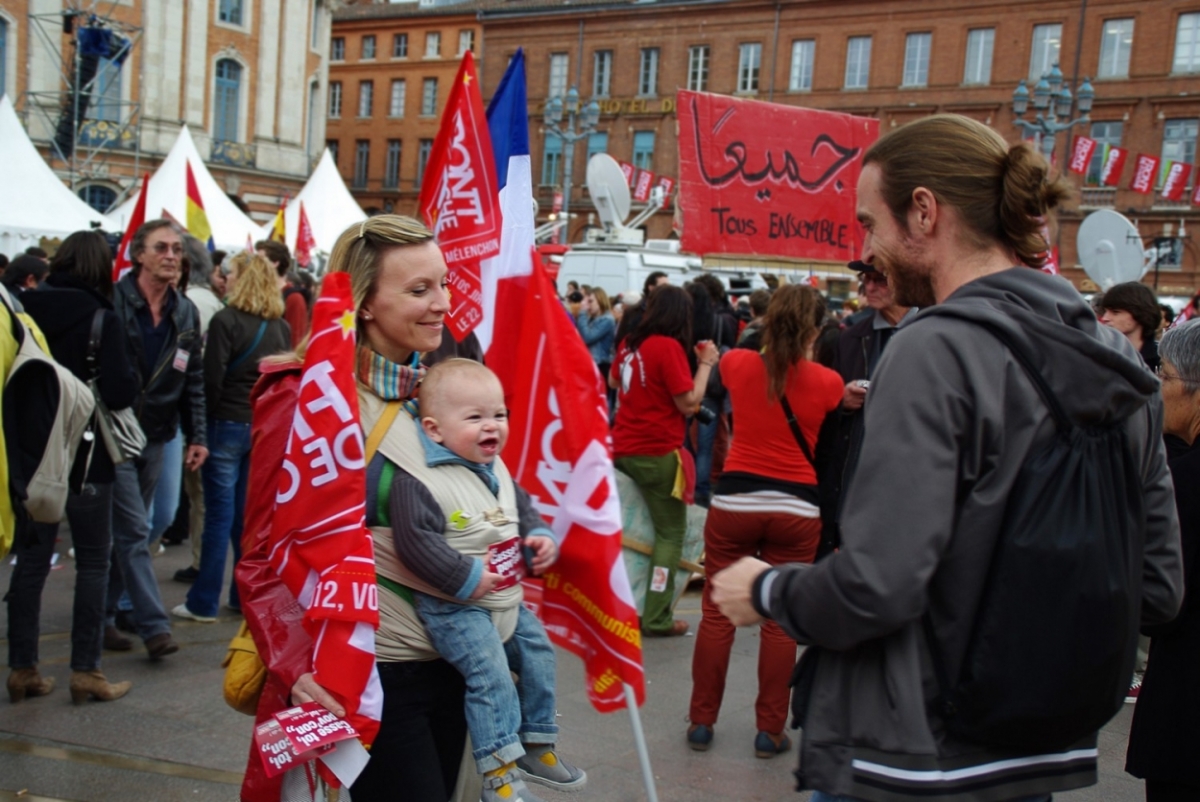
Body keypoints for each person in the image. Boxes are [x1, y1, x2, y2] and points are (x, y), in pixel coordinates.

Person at [711, 114, 1183, 802]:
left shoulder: (934, 349)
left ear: (924, 212)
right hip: (1034, 753)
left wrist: (764, 589)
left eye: (871, 224)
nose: (867, 249)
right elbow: (1159, 589)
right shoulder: (1118, 363)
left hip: (910, 751)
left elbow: (879, 585)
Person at [238, 216, 469, 802]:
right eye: (419, 290)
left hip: (454, 662)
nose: (443, 303)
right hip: (364, 672)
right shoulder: (302, 393)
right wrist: (296, 668)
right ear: (362, 303)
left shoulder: (444, 391)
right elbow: (263, 554)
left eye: (444, 283)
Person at [392, 359, 585, 802]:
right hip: (454, 608)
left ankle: (537, 740)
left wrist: (538, 536)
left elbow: (524, 508)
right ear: (434, 429)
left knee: (539, 651)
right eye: (475, 417)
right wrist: (464, 576)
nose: (491, 426)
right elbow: (413, 541)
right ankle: (498, 775)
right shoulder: (418, 478)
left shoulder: (495, 468)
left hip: (504, 599)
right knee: (491, 675)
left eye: (498, 415)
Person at [687, 284, 843, 756]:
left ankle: (701, 721)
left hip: (736, 501)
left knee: (716, 613)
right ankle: (769, 730)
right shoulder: (829, 383)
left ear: (769, 320)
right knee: (779, 619)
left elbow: (740, 362)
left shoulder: (737, 364)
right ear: (816, 330)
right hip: (797, 508)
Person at [7, 231, 138, 703]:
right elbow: (122, 392)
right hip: (88, 458)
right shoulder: (102, 317)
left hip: (32, 454)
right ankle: (86, 671)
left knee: (32, 560)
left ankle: (22, 666)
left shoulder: (24, 308)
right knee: (94, 561)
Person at [172, 254, 289, 623]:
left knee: (217, 517)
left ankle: (203, 601)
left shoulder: (226, 320)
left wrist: (199, 429)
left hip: (224, 425)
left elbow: (211, 378)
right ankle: (242, 596)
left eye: (231, 273)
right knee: (245, 519)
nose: (226, 278)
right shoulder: (280, 326)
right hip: (260, 427)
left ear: (244, 279)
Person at [110, 219, 208, 659]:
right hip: (116, 430)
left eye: (177, 249)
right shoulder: (115, 301)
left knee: (159, 518)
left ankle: (106, 610)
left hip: (161, 432)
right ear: (139, 255)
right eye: (162, 248)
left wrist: (197, 435)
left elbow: (195, 380)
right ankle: (153, 625)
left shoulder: (184, 311)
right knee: (132, 527)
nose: (172, 255)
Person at [610, 285, 719, 636]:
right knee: (669, 536)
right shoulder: (668, 347)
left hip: (623, 448)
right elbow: (688, 403)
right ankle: (657, 615)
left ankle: (623, 603)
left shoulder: (630, 343)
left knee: (632, 532)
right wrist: (705, 365)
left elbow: (613, 379)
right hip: (657, 453)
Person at [1126, 319, 1200, 802]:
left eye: (1165, 374)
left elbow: (1163, 601)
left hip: (1188, 712)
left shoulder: (1185, 482)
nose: (1157, 384)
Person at [815, 260, 915, 556]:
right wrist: (842, 400)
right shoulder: (851, 337)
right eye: (866, 279)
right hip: (858, 468)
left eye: (879, 279)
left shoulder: (932, 331)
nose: (869, 287)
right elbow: (828, 404)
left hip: (909, 470)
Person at [256, 239, 308, 348]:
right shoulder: (259, 294)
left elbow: (295, 343)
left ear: (275, 263)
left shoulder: (293, 298)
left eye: (260, 261)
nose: (255, 266)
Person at [1100, 281, 1162, 370]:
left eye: (1115, 312)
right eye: (1105, 311)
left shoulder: (1162, 359)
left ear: (1139, 313)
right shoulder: (1098, 353)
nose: (1105, 318)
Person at [576, 286, 616, 379]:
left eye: (591, 301)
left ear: (600, 300)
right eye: (587, 302)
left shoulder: (607, 319)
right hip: (591, 363)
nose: (588, 305)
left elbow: (587, 337)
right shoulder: (592, 317)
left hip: (600, 365)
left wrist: (582, 312)